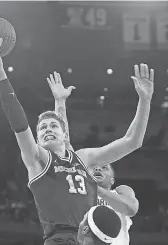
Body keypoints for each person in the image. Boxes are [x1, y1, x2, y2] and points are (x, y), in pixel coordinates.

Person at [0, 36, 153, 245]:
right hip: (59, 239)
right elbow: (18, 120)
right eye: (42, 128)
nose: (47, 129)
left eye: (53, 126)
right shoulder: (37, 159)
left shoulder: (83, 158)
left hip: (89, 239)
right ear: (38, 138)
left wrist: (145, 100)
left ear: (64, 133)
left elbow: (132, 141)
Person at [47, 72, 140, 245]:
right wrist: (60, 101)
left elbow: (131, 208)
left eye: (104, 167)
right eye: (96, 167)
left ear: (112, 179)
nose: (98, 168)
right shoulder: (81, 189)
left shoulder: (120, 191)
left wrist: (94, 188)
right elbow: (64, 144)